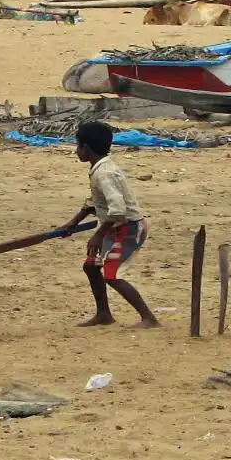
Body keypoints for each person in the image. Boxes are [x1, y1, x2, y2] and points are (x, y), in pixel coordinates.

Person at [59, 121, 158, 327]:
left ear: (85, 147)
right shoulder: (100, 169)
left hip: (128, 229)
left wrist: (98, 235)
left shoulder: (105, 173)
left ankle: (148, 318)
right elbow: (94, 202)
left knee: (112, 275)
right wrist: (72, 223)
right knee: (91, 266)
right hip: (113, 228)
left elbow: (118, 210)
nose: (76, 150)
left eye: (77, 145)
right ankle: (103, 314)